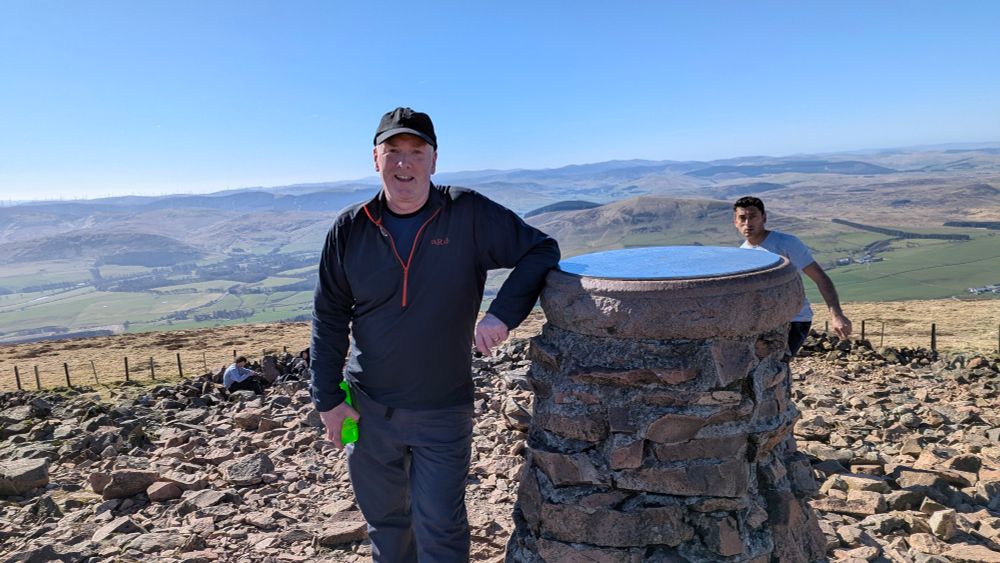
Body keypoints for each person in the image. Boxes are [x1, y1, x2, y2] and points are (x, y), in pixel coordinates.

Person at [310, 107, 560, 562]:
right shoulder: (351, 228)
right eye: (393, 152)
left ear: (434, 160)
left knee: (440, 526)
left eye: (416, 152)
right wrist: (328, 400)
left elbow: (541, 249)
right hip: (366, 410)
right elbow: (328, 317)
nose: (404, 164)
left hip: (443, 408)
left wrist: (500, 314)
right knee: (385, 524)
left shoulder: (467, 212)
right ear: (375, 159)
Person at [733, 196, 852, 360]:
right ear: (736, 222)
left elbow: (820, 278)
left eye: (752, 217)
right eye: (742, 218)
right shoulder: (742, 253)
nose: (747, 223)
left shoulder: (786, 243)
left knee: (774, 366)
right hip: (762, 323)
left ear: (764, 218)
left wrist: (837, 315)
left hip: (794, 320)